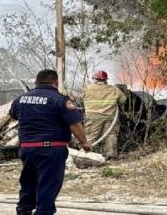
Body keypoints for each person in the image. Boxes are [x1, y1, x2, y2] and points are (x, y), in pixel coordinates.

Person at [9, 69, 91, 215]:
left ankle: (23, 211)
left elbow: (14, 115)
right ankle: (44, 212)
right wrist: (84, 142)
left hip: (27, 149)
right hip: (51, 150)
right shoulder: (60, 100)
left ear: (36, 82)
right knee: (48, 185)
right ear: (56, 82)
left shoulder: (20, 99)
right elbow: (75, 124)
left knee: (28, 183)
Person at [82, 70, 126, 158]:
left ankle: (84, 155)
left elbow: (82, 99)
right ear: (106, 80)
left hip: (93, 117)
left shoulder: (88, 88)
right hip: (110, 117)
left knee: (90, 136)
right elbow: (123, 100)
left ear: (94, 79)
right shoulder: (113, 89)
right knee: (111, 135)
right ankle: (111, 156)